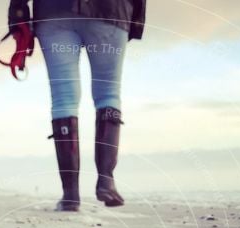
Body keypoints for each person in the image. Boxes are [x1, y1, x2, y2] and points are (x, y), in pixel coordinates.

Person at [8, 1, 146, 211]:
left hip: (54, 11)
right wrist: (136, 21)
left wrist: (17, 16)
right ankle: (106, 181)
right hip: (111, 10)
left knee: (64, 99)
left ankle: (70, 195)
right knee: (108, 94)